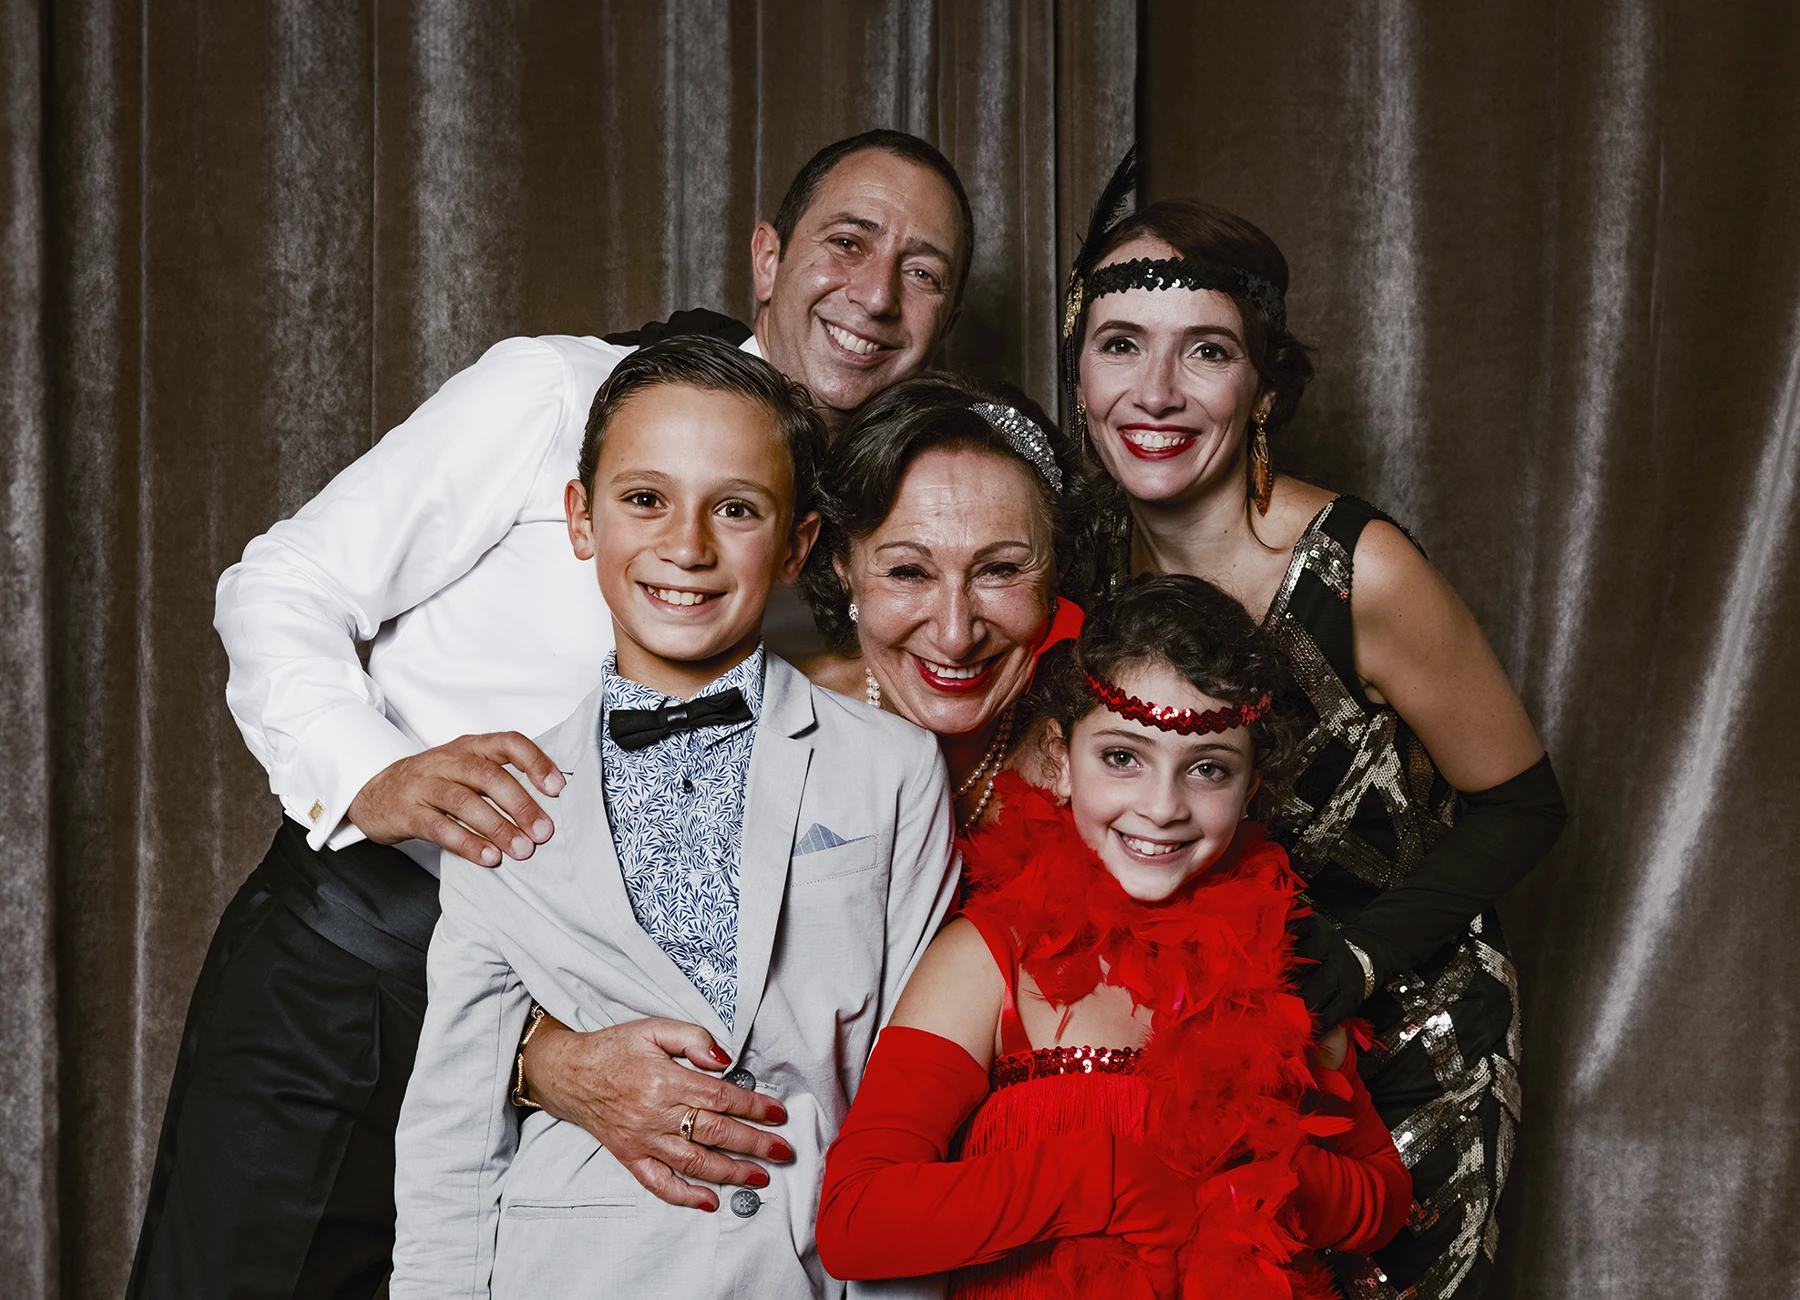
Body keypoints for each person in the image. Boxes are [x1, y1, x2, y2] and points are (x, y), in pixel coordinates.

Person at [130, 129, 973, 1299]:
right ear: (769, 257)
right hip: (348, 979)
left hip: (597, 1100)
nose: (876, 295)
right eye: (849, 241)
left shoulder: (866, 557)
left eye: (924, 270)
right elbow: (284, 581)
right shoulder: (553, 392)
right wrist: (368, 771)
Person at [1059, 159, 1568, 1299]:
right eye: (1120, 343)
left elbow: (1527, 802)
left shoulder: (1358, 572)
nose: (1156, 391)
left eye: (1207, 349)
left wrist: (1356, 957)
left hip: (1403, 1055)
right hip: (1199, 1051)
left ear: (1266, 389)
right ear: (1080, 373)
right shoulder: (1078, 567)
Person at [390, 336, 957, 1298]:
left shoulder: (892, 769)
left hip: (808, 1268)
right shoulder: (507, 795)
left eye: (735, 509)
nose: (687, 546)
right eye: (645, 499)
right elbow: (451, 1128)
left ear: (796, 546)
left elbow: (911, 1107)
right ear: (581, 520)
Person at [815, 575, 1412, 1298]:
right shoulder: (989, 958)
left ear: (1252, 789)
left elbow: (1382, 1201)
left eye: (1208, 770)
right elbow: (856, 1221)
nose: (1161, 808)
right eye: (1123, 758)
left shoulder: (1279, 960)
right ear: (1062, 762)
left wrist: (1265, 1171)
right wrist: (1103, 1179)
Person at [791, 374, 1082, 833]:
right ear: (845, 574)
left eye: (1000, 570)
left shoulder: (1106, 735)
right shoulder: (774, 724)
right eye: (908, 572)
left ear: (1055, 575)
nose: (955, 636)